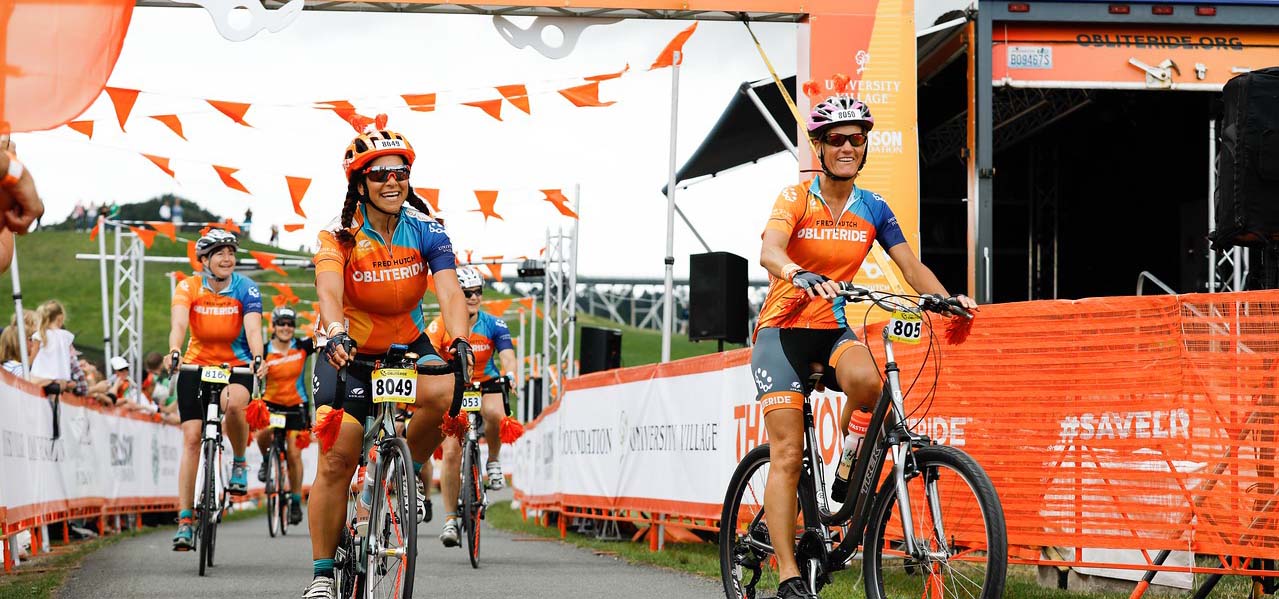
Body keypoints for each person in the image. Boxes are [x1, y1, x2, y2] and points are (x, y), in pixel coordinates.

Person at [751, 95, 978, 599]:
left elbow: (910, 268)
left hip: (831, 329)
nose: (848, 146)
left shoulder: (873, 207)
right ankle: (789, 573)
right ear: (818, 146)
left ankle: (851, 458)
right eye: (836, 138)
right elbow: (769, 249)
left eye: (857, 138)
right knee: (787, 454)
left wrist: (945, 300)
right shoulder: (796, 197)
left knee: (872, 385)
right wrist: (797, 273)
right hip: (781, 334)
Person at [303, 123, 473, 599]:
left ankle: (404, 474)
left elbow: (449, 290)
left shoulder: (427, 232)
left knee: (445, 391)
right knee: (337, 458)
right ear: (359, 184)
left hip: (406, 343)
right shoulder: (337, 237)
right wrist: (333, 330)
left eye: (400, 172)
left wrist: (458, 339)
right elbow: (329, 291)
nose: (392, 182)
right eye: (379, 175)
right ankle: (320, 573)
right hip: (349, 350)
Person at [164, 229, 266, 551]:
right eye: (220, 253)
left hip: (235, 366)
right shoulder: (188, 286)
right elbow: (179, 323)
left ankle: (238, 461)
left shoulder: (246, 287)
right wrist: (174, 351)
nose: (227, 258)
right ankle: (184, 519)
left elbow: (253, 328)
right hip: (196, 366)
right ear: (204, 260)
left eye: (231, 253)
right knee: (193, 439)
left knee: (235, 405)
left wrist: (258, 357)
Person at [426, 265, 516, 547]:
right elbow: (428, 353)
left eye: (478, 292)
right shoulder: (441, 324)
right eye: (467, 293)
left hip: (485, 382)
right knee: (451, 451)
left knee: (495, 412)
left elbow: (508, 356)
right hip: (455, 385)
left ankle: (493, 461)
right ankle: (450, 519)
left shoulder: (494, 324)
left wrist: (510, 374)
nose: (474, 297)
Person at [254, 306, 314, 526]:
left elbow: (322, 338)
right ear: (274, 326)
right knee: (262, 433)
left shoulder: (301, 347)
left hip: (296, 407)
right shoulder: (264, 349)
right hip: (271, 405)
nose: (286, 328)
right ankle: (264, 460)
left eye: (290, 324)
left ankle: (296, 501)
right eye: (282, 324)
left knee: (294, 454)